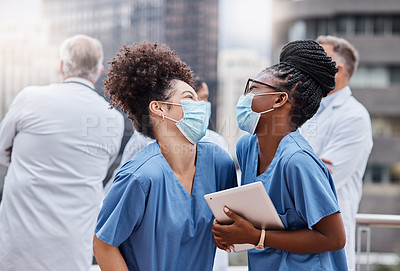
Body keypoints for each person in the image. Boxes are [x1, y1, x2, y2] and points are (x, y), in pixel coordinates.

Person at [93, 41, 237, 271]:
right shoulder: (139, 177)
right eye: (190, 98)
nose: (200, 106)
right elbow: (103, 243)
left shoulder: (220, 163)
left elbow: (230, 227)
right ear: (159, 108)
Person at [212, 40, 348, 270]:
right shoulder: (247, 147)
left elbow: (334, 238)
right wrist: (230, 231)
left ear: (279, 99)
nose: (246, 96)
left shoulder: (298, 161)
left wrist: (259, 237)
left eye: (254, 88)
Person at [0, 34, 124, 271]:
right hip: (73, 249)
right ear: (98, 71)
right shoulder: (114, 120)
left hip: (18, 245)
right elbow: (103, 167)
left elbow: (2, 149)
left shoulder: (30, 98)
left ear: (61, 66)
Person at [300, 35, 373, 271]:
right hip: (296, 237)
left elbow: (322, 180)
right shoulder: (305, 110)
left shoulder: (354, 117)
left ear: (337, 70)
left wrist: (299, 166)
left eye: (315, 61)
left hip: (328, 240)